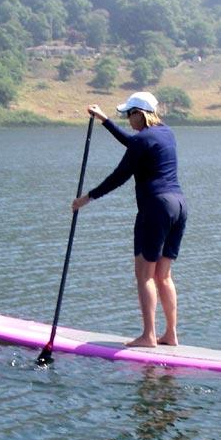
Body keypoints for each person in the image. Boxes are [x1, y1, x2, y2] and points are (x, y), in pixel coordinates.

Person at [71, 91, 188, 348]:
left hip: (155, 208)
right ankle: (170, 334)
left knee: (145, 275)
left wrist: (87, 198)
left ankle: (148, 336)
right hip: (178, 206)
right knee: (164, 276)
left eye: (128, 115)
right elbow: (136, 144)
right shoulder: (166, 133)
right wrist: (105, 121)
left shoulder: (142, 141)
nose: (127, 120)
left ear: (139, 114)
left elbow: (119, 176)